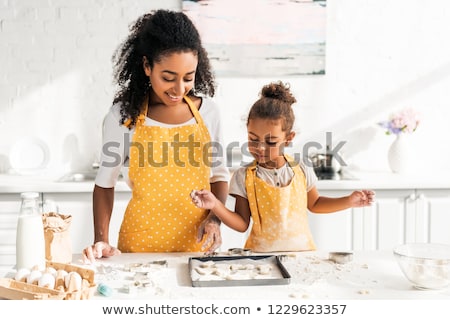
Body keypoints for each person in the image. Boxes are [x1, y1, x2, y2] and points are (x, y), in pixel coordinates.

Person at [83, 10, 229, 263]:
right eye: (168, 78)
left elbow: (219, 177)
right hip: (139, 247)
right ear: (147, 66)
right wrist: (101, 240)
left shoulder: (209, 113)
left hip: (195, 246)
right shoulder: (123, 115)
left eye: (188, 78)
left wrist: (214, 220)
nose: (179, 89)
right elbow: (105, 184)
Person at [191, 81, 375, 253]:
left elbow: (316, 204)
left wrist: (348, 201)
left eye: (271, 141)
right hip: (261, 258)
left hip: (303, 256)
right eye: (253, 139)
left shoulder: (301, 168)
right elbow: (241, 224)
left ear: (289, 138)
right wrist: (215, 204)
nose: (260, 147)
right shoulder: (243, 176)